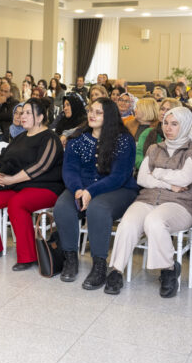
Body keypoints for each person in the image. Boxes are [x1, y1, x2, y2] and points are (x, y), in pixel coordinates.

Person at [108, 107, 192, 298]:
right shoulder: (154, 149)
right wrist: (169, 184)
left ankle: (168, 269)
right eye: (166, 123)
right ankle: (115, 270)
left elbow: (185, 179)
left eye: (174, 124)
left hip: (181, 204)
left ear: (185, 125)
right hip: (148, 198)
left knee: (154, 220)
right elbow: (142, 179)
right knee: (128, 223)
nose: (168, 128)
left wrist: (159, 173)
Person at [54, 98, 139, 290]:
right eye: (91, 110)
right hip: (81, 187)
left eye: (98, 112)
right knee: (62, 207)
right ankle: (70, 258)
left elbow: (119, 176)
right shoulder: (77, 138)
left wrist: (90, 192)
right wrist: (77, 190)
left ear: (109, 116)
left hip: (119, 189)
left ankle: (99, 266)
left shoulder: (124, 140)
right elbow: (69, 170)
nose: (92, 115)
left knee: (98, 209)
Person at [0, 98, 65, 271]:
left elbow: (41, 166)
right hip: (20, 186)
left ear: (39, 117)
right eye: (22, 112)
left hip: (46, 187)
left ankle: (28, 256)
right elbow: (3, 156)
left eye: (28, 113)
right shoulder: (21, 137)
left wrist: (11, 180)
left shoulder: (50, 138)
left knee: (17, 204)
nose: (23, 116)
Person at [136, 98, 182, 166]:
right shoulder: (148, 132)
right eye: (162, 109)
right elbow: (138, 156)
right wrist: (150, 168)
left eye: (168, 110)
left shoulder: (181, 136)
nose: (163, 113)